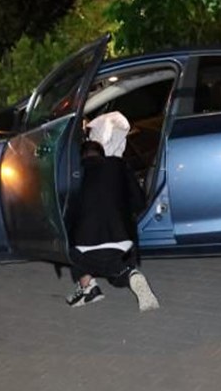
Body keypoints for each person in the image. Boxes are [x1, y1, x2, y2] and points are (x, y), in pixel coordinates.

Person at [64, 112, 159, 311]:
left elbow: (68, 209)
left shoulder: (75, 173)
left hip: (85, 247)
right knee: (117, 269)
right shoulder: (120, 167)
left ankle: (88, 287)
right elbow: (139, 202)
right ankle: (131, 275)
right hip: (121, 241)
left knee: (76, 250)